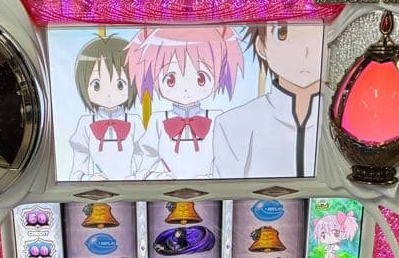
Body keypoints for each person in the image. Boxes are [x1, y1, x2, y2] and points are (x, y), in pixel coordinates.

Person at [127, 26, 244, 179]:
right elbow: (147, 158)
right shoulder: (158, 120)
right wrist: (156, 177)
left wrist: (215, 177)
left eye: (201, 78)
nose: (186, 89)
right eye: (171, 79)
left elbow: (228, 158)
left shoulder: (217, 118)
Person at [213, 22, 324, 179]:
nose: (305, 50)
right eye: (282, 33)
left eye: (318, 35)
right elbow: (224, 189)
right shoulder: (232, 124)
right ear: (261, 46)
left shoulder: (345, 123)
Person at [67, 35, 145, 181]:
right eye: (96, 85)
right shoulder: (85, 123)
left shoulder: (134, 122)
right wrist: (88, 179)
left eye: (120, 84)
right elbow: (77, 169)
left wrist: (140, 178)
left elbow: (144, 160)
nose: (109, 94)